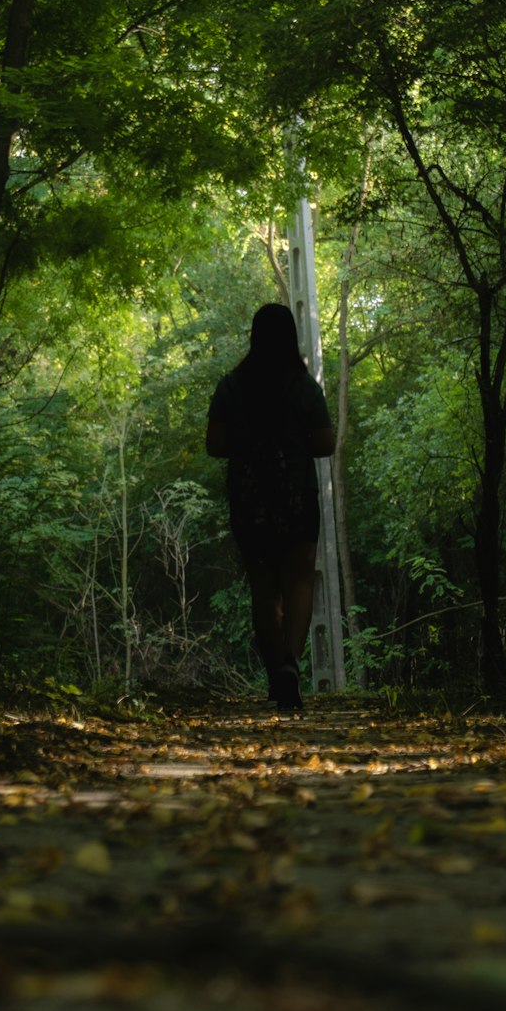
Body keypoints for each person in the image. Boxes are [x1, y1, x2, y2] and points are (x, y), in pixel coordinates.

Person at [206, 303, 335, 712]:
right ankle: (291, 666)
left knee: (262, 586)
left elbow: (214, 444)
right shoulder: (304, 387)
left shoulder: (232, 386)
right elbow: (326, 443)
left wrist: (248, 444)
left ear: (254, 337)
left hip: (250, 496)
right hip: (297, 494)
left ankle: (277, 671)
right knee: (299, 580)